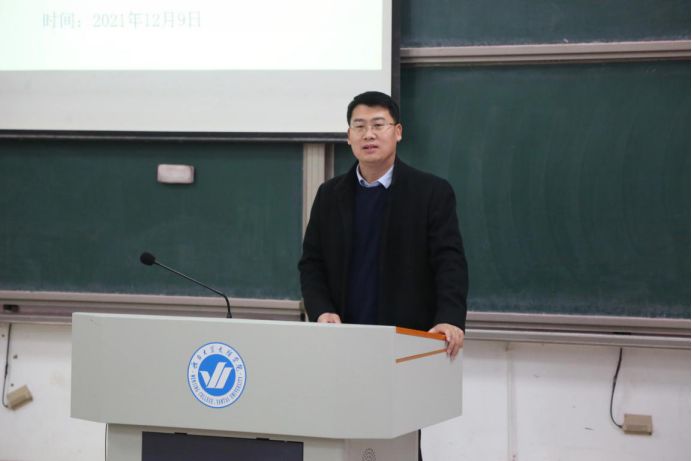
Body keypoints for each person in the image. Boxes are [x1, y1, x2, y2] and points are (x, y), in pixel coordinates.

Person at [298, 91, 469, 460]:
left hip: (403, 343)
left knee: (397, 445)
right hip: (344, 342)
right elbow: (312, 263)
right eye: (359, 126)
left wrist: (449, 318)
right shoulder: (329, 195)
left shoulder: (431, 192)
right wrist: (321, 310)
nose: (369, 134)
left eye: (379, 125)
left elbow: (450, 262)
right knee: (338, 441)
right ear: (348, 136)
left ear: (398, 132)